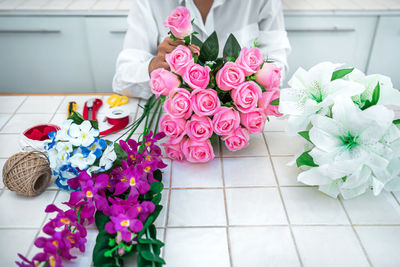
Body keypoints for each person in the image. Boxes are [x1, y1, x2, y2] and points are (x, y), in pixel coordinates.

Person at [113, 0, 291, 99]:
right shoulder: (148, 3)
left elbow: (277, 68)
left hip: (243, 133)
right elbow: (123, 79)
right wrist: (154, 67)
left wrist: (243, 92)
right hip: (172, 125)